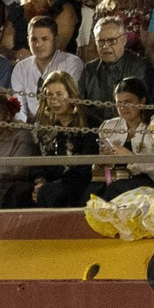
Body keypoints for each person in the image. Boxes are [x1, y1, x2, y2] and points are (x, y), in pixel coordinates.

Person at [30, 69, 98, 207]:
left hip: (78, 181)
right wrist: (40, 182)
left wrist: (48, 186)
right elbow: (37, 161)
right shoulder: (44, 126)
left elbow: (85, 167)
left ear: (71, 94)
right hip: (50, 180)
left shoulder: (88, 123)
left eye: (59, 94)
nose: (54, 100)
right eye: (49, 95)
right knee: (19, 191)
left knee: (50, 192)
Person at [11, 16, 84, 119]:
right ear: (28, 41)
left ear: (56, 40)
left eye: (44, 39)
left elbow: (71, 104)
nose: (38, 44)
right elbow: (20, 109)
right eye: (34, 39)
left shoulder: (71, 63)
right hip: (31, 127)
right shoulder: (21, 68)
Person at [81, 17, 151, 122]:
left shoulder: (139, 65)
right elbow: (80, 105)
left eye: (111, 41)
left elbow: (141, 107)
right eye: (100, 42)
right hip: (95, 129)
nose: (105, 46)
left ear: (123, 40)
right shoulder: (89, 69)